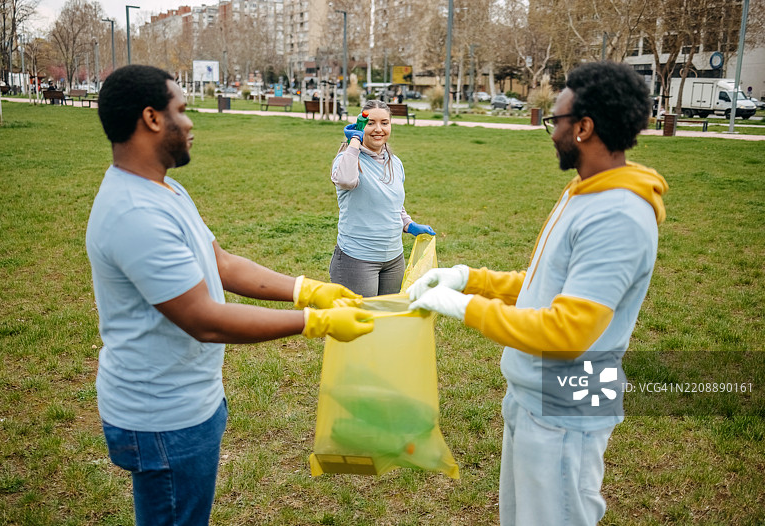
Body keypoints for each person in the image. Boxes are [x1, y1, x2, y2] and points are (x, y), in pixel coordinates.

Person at [86, 65, 374, 526]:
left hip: (189, 400)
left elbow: (220, 261)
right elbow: (206, 319)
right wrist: (312, 323)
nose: (191, 121)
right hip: (164, 417)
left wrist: (306, 290)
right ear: (152, 119)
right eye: (181, 110)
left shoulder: (163, 188)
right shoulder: (135, 212)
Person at [408, 61, 668, 525]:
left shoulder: (618, 216)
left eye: (557, 121)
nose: (551, 133)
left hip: (565, 409)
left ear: (584, 128)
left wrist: (463, 307)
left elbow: (568, 331)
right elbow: (545, 285)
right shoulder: (586, 192)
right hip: (533, 397)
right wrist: (470, 278)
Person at [330, 99, 436, 297]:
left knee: (386, 320)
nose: (378, 129)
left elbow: (393, 202)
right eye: (370, 123)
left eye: (384, 123)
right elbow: (345, 180)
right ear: (361, 126)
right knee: (360, 323)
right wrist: (354, 141)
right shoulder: (347, 159)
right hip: (357, 259)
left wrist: (408, 224)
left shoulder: (394, 162)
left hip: (393, 258)